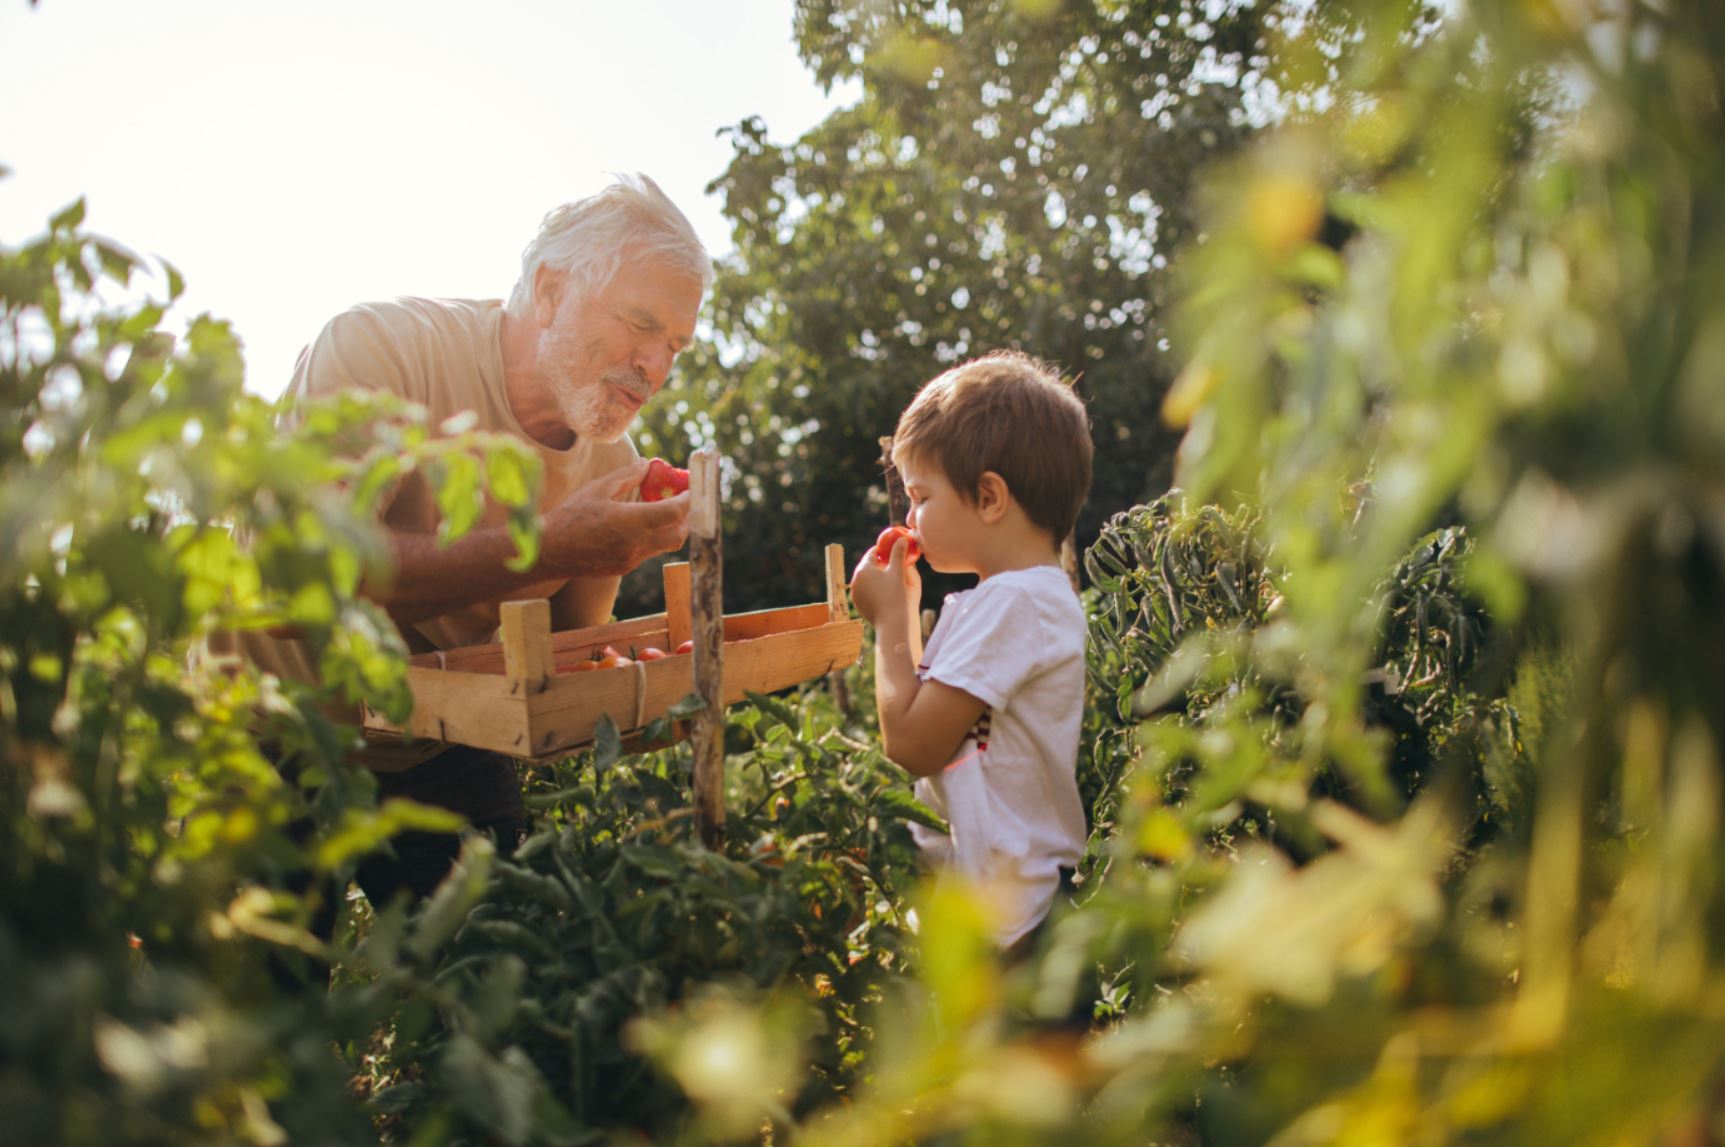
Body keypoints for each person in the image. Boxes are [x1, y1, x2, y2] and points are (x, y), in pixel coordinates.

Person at [210, 173, 712, 933]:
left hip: (438, 737)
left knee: (506, 977)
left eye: (673, 344)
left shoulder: (615, 460)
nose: (655, 367)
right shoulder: (382, 349)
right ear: (548, 292)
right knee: (261, 1014)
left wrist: (613, 556)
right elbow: (299, 583)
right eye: (640, 323)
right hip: (271, 722)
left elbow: (569, 645)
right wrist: (549, 546)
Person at [847, 350, 1093, 952]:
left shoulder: (1017, 604)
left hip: (1018, 928)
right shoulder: (1006, 602)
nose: (910, 517)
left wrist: (892, 619)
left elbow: (912, 743)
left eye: (921, 497)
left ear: (988, 498)